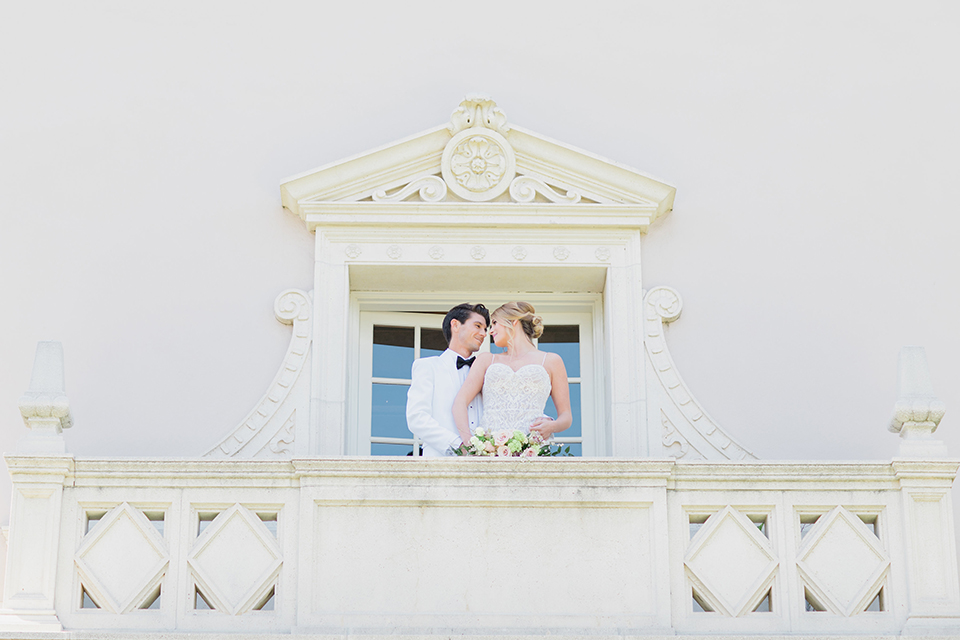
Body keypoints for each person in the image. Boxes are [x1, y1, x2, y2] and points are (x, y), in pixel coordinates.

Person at [452, 302, 571, 447]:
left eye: (495, 323)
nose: (490, 331)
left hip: (531, 451)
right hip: (490, 452)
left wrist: (552, 426)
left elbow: (566, 417)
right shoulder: (486, 360)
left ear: (513, 322)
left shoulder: (551, 361)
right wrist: (469, 443)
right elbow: (460, 402)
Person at [405, 303, 490, 456]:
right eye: (477, 326)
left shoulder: (488, 371)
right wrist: (458, 446)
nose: (483, 333)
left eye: (485, 329)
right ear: (455, 325)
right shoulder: (427, 366)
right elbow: (417, 418)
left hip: (485, 468)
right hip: (439, 465)